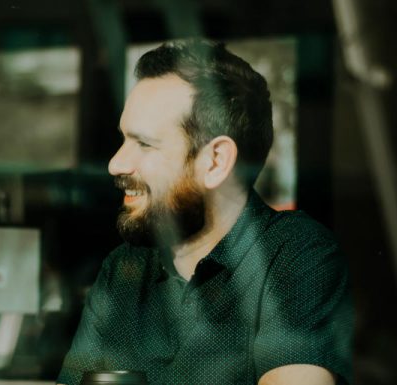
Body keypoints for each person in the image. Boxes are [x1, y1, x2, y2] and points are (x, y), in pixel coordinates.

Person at [57, 39, 352, 385]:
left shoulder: (294, 256)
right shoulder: (123, 270)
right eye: (123, 140)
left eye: (144, 144)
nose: (115, 163)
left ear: (215, 162)